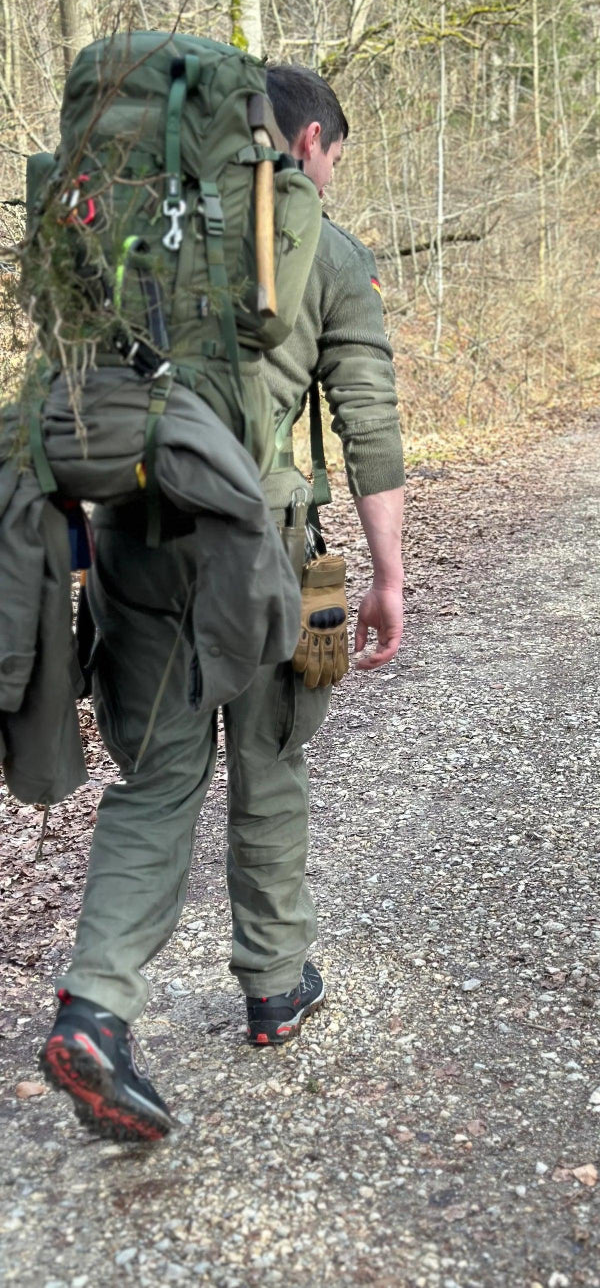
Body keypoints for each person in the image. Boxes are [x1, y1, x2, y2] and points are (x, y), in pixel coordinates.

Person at [40, 65, 405, 1141]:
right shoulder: (327, 254)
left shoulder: (125, 238)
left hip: (136, 544)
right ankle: (273, 986)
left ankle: (96, 1007)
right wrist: (389, 573)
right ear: (302, 143)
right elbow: (369, 423)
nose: (330, 177)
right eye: (331, 158)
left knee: (155, 783)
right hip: (268, 554)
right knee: (270, 762)